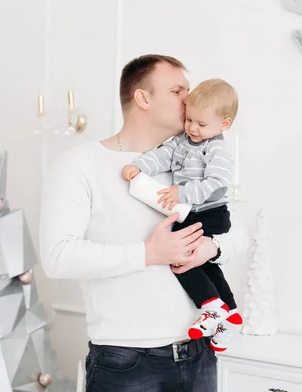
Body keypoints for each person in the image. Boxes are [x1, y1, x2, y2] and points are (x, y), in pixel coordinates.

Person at [39, 54, 249, 392]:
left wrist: (211, 247)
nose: (190, 99)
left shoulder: (193, 159)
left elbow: (237, 230)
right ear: (143, 98)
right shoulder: (80, 165)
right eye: (178, 91)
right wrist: (148, 253)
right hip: (126, 362)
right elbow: (57, 256)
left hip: (200, 355)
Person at [121, 79, 243, 351]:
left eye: (201, 124)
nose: (192, 128)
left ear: (223, 125)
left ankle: (210, 306)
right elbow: (162, 156)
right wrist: (137, 166)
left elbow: (218, 182)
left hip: (210, 211)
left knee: (178, 254)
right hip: (196, 211)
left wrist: (183, 193)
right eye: (189, 120)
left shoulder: (216, 149)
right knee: (205, 263)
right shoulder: (182, 140)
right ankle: (230, 313)